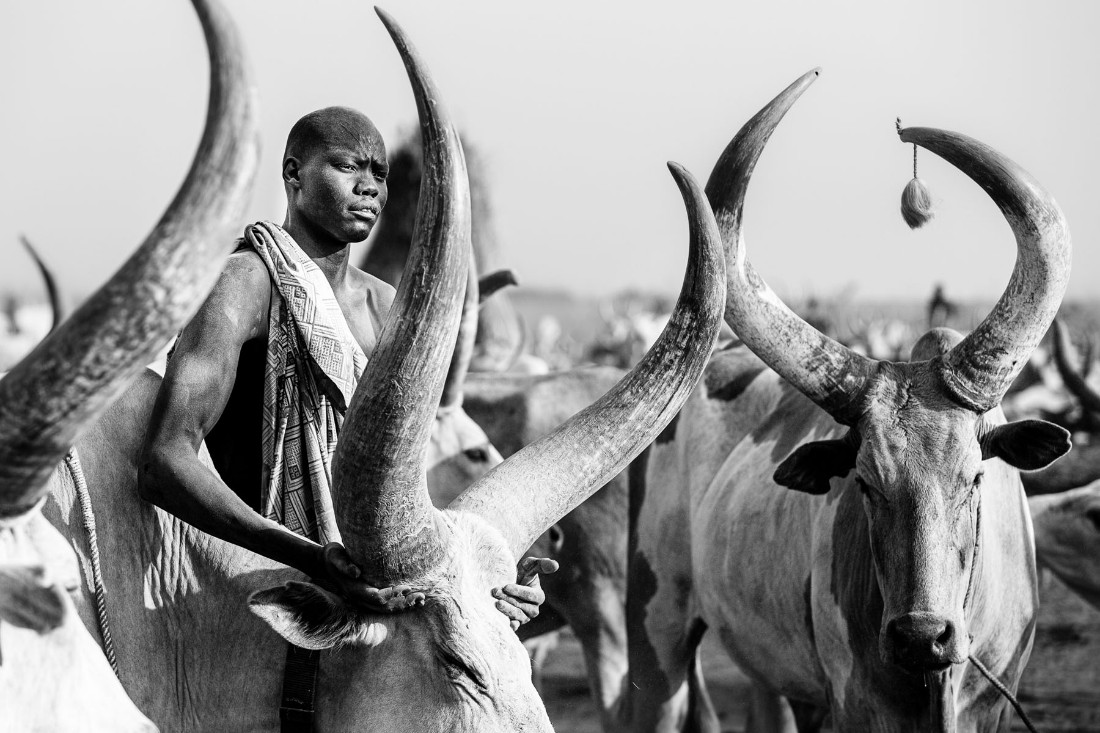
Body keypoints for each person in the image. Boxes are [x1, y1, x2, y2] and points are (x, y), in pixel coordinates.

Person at [139, 106, 549, 626]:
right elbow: (164, 462)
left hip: (370, 585)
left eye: (379, 173)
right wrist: (310, 557)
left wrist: (493, 573)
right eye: (348, 167)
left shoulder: (386, 307)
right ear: (294, 175)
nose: (370, 187)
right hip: (257, 589)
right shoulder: (242, 285)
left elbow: (404, 482)